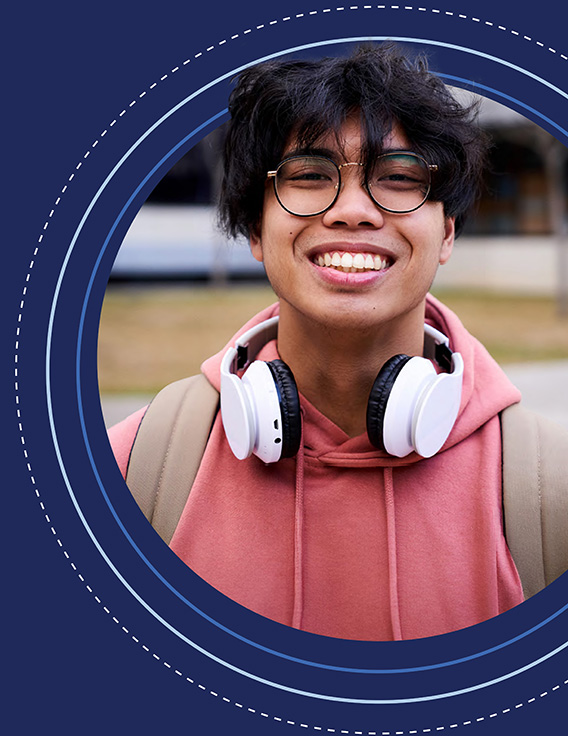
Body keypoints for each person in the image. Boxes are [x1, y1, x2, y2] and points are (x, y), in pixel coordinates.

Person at [108, 44, 567, 641]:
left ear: (447, 231)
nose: (353, 211)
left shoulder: (546, 492)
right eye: (309, 175)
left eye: (399, 178)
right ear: (255, 228)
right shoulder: (137, 469)